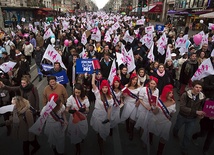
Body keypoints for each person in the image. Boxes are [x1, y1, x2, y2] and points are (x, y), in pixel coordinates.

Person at [173, 80, 206, 155]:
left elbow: (200, 107)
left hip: (192, 119)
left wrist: (200, 114)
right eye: (196, 87)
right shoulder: (185, 95)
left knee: (187, 135)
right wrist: (196, 112)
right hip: (182, 116)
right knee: (177, 127)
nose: (198, 89)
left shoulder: (202, 97)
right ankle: (175, 132)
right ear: (193, 87)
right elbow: (182, 107)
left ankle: (184, 149)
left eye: (200, 88)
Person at [191, 57, 214, 155]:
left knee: (211, 135)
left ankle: (205, 150)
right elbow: (203, 87)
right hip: (209, 104)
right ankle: (195, 136)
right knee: (204, 132)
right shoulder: (210, 77)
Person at [148, 84, 176, 155]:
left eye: (172, 93)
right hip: (156, 120)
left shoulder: (173, 102)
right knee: (152, 130)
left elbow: (172, 114)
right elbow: (154, 112)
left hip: (166, 122)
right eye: (169, 93)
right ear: (165, 93)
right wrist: (156, 108)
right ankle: (150, 138)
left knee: (163, 138)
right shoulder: (158, 101)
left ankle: (159, 152)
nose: (171, 94)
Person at [90, 71, 113, 155]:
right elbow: (93, 83)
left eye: (106, 88)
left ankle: (101, 142)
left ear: (108, 88)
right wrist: (93, 74)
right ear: (101, 88)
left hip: (104, 116)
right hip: (97, 115)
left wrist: (108, 117)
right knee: (99, 133)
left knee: (103, 132)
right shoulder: (97, 94)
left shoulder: (110, 97)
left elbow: (110, 108)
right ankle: (101, 148)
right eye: (103, 87)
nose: (104, 89)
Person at [66, 83, 90, 155]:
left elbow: (88, 109)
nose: (77, 94)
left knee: (82, 133)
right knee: (75, 135)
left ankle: (81, 139)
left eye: (79, 92)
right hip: (74, 118)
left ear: (81, 92)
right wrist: (69, 111)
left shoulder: (85, 98)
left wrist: (85, 110)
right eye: (76, 92)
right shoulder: (71, 98)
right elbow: (67, 108)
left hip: (82, 118)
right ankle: (78, 148)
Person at [135, 76, 159, 145]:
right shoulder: (144, 89)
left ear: (156, 85)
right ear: (149, 83)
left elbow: (156, 100)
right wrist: (146, 107)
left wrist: (154, 107)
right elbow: (140, 99)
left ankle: (144, 139)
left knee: (147, 124)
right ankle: (141, 135)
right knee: (142, 124)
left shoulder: (157, 90)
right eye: (151, 83)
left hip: (151, 109)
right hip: (143, 108)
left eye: (154, 84)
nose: (152, 85)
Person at [120, 72, 141, 140]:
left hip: (134, 104)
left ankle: (131, 132)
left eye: (136, 80)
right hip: (127, 103)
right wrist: (124, 95)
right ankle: (127, 127)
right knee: (127, 116)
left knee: (132, 118)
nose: (134, 81)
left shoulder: (139, 87)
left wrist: (138, 101)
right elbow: (122, 95)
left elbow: (140, 96)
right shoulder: (126, 86)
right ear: (131, 80)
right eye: (133, 79)